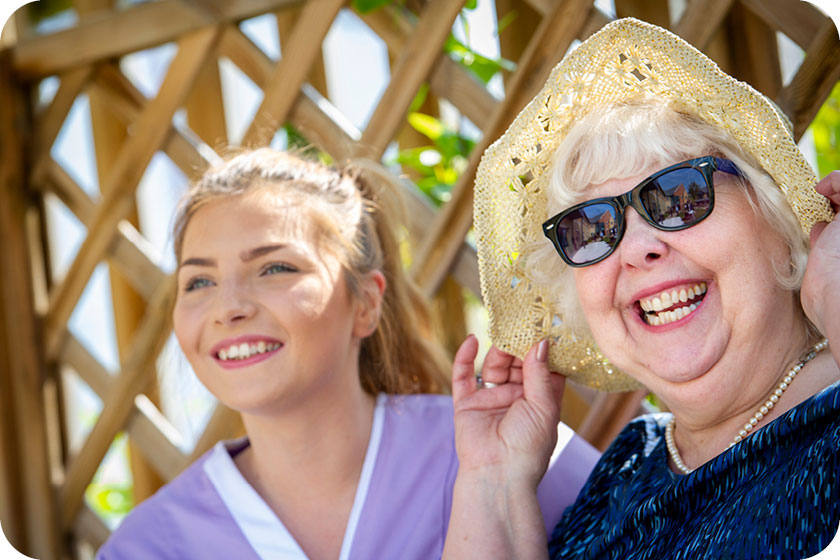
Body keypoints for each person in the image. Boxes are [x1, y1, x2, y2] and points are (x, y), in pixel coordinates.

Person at [443, 18, 840, 560]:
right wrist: (495, 483)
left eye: (679, 196)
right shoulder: (632, 460)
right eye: (591, 229)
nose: (635, 249)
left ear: (777, 216)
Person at [96, 149, 599, 559]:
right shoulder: (149, 546)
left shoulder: (509, 451)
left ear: (365, 303)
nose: (228, 308)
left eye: (274, 269)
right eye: (199, 281)